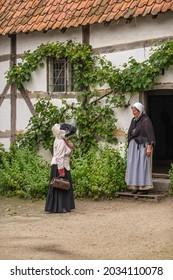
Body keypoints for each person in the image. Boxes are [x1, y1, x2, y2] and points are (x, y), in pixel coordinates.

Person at [45, 123, 77, 213]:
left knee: (64, 185)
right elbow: (59, 157)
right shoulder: (60, 141)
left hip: (63, 165)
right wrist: (61, 170)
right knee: (59, 185)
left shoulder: (62, 140)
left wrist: (69, 145)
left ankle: (64, 206)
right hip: (60, 165)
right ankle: (59, 207)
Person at [125, 102, 156, 195]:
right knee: (134, 166)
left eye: (134, 110)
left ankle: (144, 188)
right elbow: (131, 133)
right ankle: (135, 186)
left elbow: (150, 135)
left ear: (140, 110)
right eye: (132, 110)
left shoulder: (145, 120)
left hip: (143, 146)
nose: (133, 112)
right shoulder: (134, 120)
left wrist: (149, 147)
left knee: (143, 166)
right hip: (134, 146)